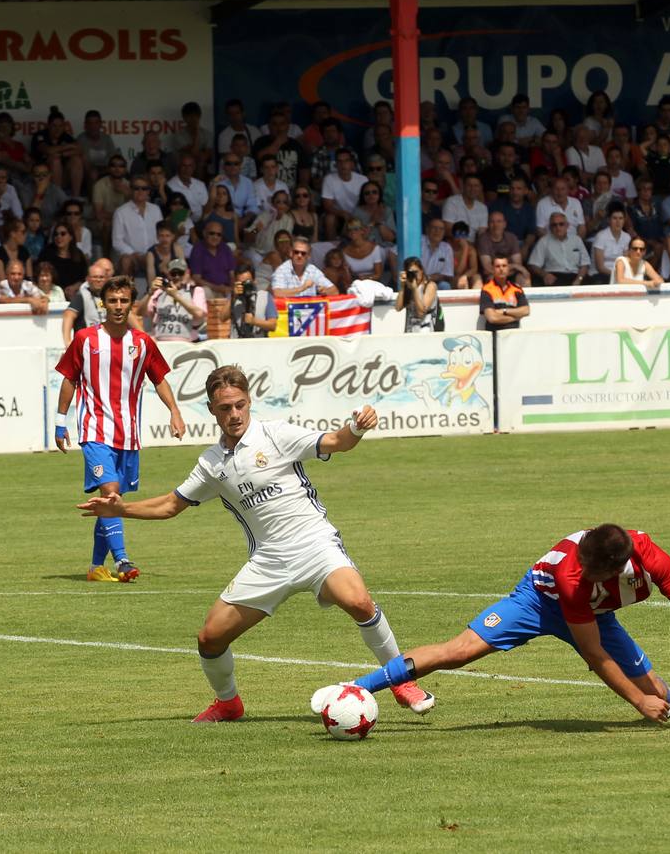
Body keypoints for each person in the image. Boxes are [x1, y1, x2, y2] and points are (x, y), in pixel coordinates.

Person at [77, 365, 436, 721]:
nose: (234, 414)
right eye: (225, 408)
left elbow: (336, 442)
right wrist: (121, 508)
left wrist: (356, 426)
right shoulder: (211, 463)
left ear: (249, 402)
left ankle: (401, 680)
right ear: (212, 410)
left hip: (315, 545)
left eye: (239, 405)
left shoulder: (276, 434)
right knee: (209, 638)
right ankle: (228, 703)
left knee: (358, 600)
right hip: (268, 561)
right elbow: (171, 505)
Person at [339, 522, 670, 723]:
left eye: (591, 569)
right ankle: (355, 689)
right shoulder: (571, 577)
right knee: (458, 652)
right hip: (536, 600)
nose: (581, 570)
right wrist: (636, 702)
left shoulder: (649, 557)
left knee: (660, 697)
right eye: (581, 562)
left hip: (597, 616)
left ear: (616, 569)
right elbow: (595, 654)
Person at [54, 276, 186, 583]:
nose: (117, 306)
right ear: (103, 303)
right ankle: (123, 561)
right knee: (112, 495)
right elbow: (69, 379)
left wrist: (175, 411)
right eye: (112, 300)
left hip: (128, 436)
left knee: (111, 502)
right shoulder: (86, 339)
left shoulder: (142, 342)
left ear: (132, 303)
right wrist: (60, 422)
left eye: (123, 300)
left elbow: (159, 379)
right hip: (94, 431)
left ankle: (96, 567)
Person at [146, 258, 207, 342]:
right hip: (161, 344)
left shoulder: (196, 290)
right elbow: (142, 312)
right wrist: (150, 292)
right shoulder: (159, 292)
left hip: (188, 344)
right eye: (173, 274)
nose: (177, 277)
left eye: (180, 273)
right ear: (169, 275)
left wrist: (176, 296)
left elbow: (199, 314)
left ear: (187, 273)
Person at [479, 254, 529, 331]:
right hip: (494, 335)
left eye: (504, 266)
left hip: (514, 334)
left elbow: (526, 310)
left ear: (508, 268)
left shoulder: (517, 289)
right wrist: (516, 317)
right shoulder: (487, 289)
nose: (501, 269)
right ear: (493, 269)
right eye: (498, 266)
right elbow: (492, 318)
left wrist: (503, 311)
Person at [396, 256, 441, 333]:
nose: (414, 276)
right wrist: (402, 287)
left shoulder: (430, 286)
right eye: (411, 273)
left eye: (416, 272)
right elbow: (398, 307)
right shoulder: (408, 286)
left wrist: (414, 289)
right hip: (410, 331)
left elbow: (421, 313)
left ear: (422, 270)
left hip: (427, 331)